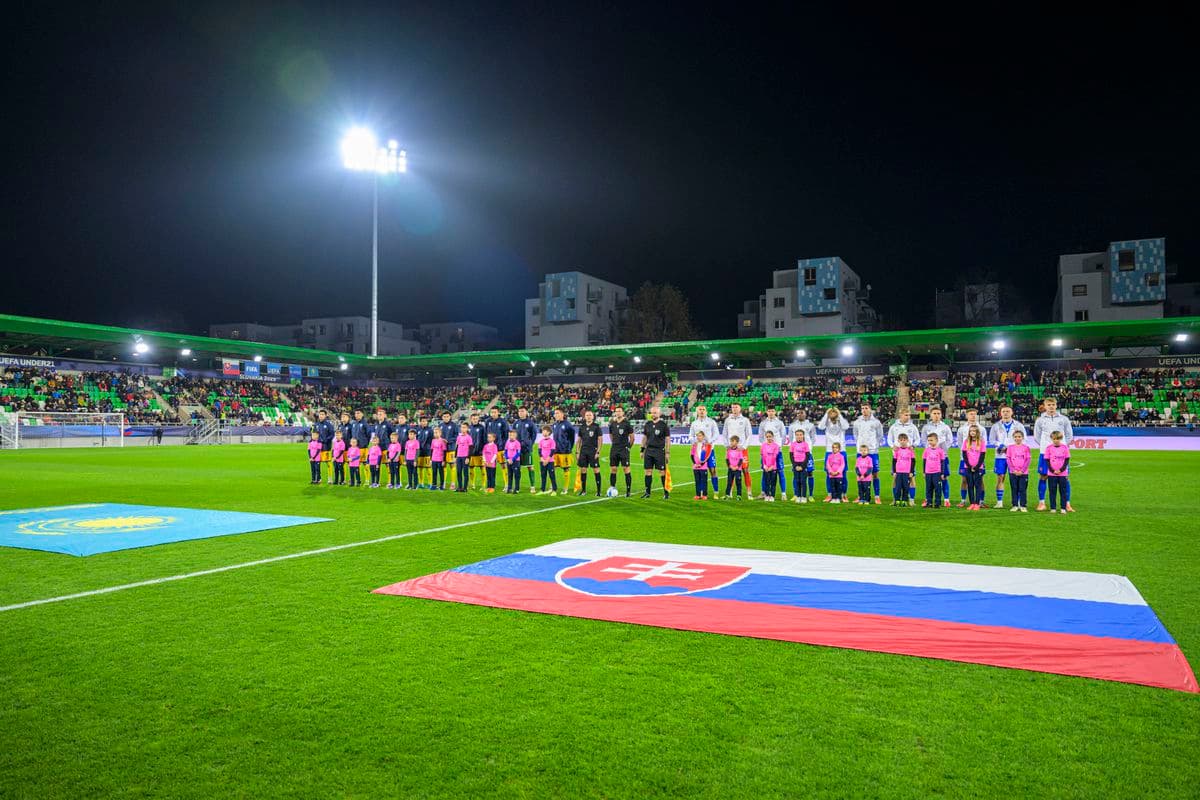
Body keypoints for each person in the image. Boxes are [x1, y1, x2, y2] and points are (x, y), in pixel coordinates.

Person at [1033, 397, 1074, 511]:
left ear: (1056, 405)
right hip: (1045, 452)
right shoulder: (1040, 420)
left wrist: (1062, 446)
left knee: (1065, 477)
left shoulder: (1064, 419)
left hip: (1061, 453)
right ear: (1045, 406)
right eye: (1048, 405)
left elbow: (1069, 435)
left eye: (1053, 404)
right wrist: (1047, 446)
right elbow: (1037, 436)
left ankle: (1067, 503)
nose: (1051, 407)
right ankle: (1042, 503)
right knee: (1043, 476)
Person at [987, 405, 1027, 508]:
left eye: (1008, 411)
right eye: (1003, 411)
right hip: (1000, 456)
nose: (1005, 413)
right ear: (1000, 413)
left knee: (1016, 478)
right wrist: (999, 445)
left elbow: (1025, 439)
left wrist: (1013, 447)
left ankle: (1017, 502)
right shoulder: (995, 426)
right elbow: (991, 440)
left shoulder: (1018, 425)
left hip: (1015, 456)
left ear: (1012, 412)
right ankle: (999, 502)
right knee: (1000, 477)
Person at [852, 403, 886, 504]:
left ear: (870, 410)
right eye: (862, 408)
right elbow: (855, 435)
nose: (864, 410)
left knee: (875, 474)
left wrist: (874, 446)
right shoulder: (857, 422)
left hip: (872, 451)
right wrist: (859, 446)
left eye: (866, 408)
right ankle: (860, 496)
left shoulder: (876, 422)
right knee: (860, 475)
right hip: (860, 452)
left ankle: (877, 496)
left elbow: (880, 435)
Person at [920, 407, 953, 507]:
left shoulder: (945, 427)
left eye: (938, 413)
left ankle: (946, 499)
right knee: (929, 480)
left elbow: (950, 440)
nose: (936, 415)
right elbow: (923, 440)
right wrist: (931, 450)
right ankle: (928, 499)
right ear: (930, 415)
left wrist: (941, 451)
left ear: (941, 415)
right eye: (934, 413)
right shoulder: (926, 427)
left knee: (944, 477)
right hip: (930, 457)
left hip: (942, 457)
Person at [887, 409, 920, 502]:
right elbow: (889, 438)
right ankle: (895, 499)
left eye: (909, 415)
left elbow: (918, 439)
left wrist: (913, 446)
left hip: (908, 457)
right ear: (900, 415)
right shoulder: (894, 427)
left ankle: (911, 499)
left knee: (912, 478)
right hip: (897, 457)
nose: (908, 417)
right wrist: (892, 446)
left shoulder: (913, 427)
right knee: (895, 478)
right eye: (906, 415)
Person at [817, 407, 849, 501]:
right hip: (829, 450)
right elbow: (820, 427)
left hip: (842, 450)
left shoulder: (841, 422)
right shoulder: (826, 422)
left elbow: (846, 426)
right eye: (831, 412)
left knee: (843, 473)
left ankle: (843, 494)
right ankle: (830, 494)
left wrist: (839, 414)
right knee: (828, 473)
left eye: (834, 412)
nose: (832, 414)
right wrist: (826, 414)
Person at [640, 406, 672, 499]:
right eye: (652, 413)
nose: (653, 414)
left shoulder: (663, 425)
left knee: (662, 472)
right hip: (649, 451)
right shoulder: (648, 424)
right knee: (648, 471)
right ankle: (647, 492)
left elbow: (667, 439)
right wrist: (642, 450)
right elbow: (644, 438)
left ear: (659, 414)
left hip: (659, 451)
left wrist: (667, 452)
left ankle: (666, 493)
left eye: (655, 413)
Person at [722, 403, 753, 494]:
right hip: (731, 450)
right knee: (731, 470)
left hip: (742, 450)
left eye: (736, 407)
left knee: (745, 470)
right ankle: (730, 492)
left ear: (740, 408)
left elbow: (749, 434)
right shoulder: (728, 420)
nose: (734, 409)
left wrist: (744, 446)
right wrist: (727, 445)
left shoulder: (745, 420)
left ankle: (749, 492)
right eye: (733, 407)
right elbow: (724, 434)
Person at [758, 407, 788, 500]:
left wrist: (778, 446)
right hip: (766, 452)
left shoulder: (779, 423)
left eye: (772, 411)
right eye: (769, 411)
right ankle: (764, 492)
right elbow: (760, 436)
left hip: (777, 451)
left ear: (775, 412)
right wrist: (766, 446)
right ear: (767, 412)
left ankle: (783, 493)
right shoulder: (763, 423)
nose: (771, 412)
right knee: (765, 471)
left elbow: (783, 436)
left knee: (780, 472)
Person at [955, 408, 983, 507]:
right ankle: (963, 500)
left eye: (975, 414)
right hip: (965, 459)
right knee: (964, 480)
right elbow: (960, 443)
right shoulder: (962, 429)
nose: (973, 416)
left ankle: (980, 501)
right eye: (971, 414)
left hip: (978, 460)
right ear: (967, 415)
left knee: (980, 480)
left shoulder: (981, 428)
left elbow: (984, 444)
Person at [689, 405, 720, 493]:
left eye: (703, 410)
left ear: (706, 411)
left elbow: (716, 434)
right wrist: (694, 441)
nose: (702, 411)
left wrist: (710, 441)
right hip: (698, 451)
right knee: (700, 471)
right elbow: (691, 435)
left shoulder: (711, 422)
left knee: (712, 470)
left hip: (709, 450)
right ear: (697, 412)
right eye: (700, 410)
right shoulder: (694, 423)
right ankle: (701, 491)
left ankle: (716, 491)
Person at [607, 405, 636, 497]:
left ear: (623, 413)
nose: (618, 412)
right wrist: (614, 443)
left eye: (619, 411)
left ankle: (628, 491)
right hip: (614, 448)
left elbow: (632, 437)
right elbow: (611, 435)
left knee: (626, 469)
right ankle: (612, 488)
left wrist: (628, 447)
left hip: (624, 449)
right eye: (616, 411)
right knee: (613, 469)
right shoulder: (612, 423)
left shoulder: (627, 423)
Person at [788, 409, 817, 498]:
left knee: (810, 473)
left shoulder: (811, 425)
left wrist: (808, 449)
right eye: (798, 413)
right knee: (795, 473)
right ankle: (796, 494)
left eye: (802, 413)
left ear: (805, 414)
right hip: (796, 455)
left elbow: (813, 438)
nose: (800, 414)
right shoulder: (792, 426)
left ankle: (811, 495)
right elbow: (791, 438)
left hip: (807, 453)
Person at [1044, 430, 1073, 513]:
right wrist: (1053, 470)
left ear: (1061, 439)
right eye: (1054, 439)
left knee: (1063, 491)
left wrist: (1061, 470)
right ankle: (1053, 508)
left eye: (1057, 439)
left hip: (1062, 474)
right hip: (1051, 474)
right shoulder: (1048, 448)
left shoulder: (1065, 447)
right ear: (1051, 439)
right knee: (1052, 491)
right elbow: (1047, 461)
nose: (1056, 440)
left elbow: (1067, 460)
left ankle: (1063, 508)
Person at [512, 407, 540, 494]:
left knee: (530, 466)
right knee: (517, 468)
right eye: (519, 411)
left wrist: (529, 444)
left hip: (527, 449)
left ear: (526, 412)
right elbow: (513, 435)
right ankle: (517, 486)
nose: (520, 413)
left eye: (522, 411)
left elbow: (534, 435)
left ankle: (532, 486)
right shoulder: (516, 423)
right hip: (517, 450)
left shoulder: (530, 423)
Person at [576, 410, 603, 497]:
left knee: (596, 470)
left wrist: (598, 451)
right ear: (585, 417)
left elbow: (600, 440)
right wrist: (577, 452)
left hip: (593, 451)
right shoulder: (582, 427)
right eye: (587, 415)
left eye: (590, 415)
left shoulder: (596, 427)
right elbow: (579, 440)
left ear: (593, 416)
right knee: (583, 470)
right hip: (583, 451)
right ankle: (583, 490)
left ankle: (598, 491)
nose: (588, 416)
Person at [551, 409, 577, 496]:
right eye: (555, 413)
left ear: (562, 414)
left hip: (565, 451)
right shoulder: (554, 425)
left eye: (557, 413)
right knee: (552, 468)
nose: (555, 415)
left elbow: (572, 438)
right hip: (555, 451)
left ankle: (565, 488)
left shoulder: (568, 425)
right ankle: (552, 486)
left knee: (566, 468)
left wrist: (568, 447)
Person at [961, 424, 987, 510]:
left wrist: (976, 467)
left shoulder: (981, 442)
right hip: (968, 467)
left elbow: (982, 456)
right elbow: (964, 455)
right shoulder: (966, 442)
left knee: (977, 485)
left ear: (977, 432)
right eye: (971, 431)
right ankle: (972, 503)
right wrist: (969, 466)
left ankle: (977, 503)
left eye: (974, 431)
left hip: (978, 467)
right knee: (970, 485)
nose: (972, 432)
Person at [1006, 429, 1032, 512]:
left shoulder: (1026, 448)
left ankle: (1023, 505)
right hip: (1013, 472)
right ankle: (1015, 505)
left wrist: (1022, 471)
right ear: (1013, 438)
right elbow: (1008, 459)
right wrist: (1013, 470)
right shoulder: (1010, 447)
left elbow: (1028, 460)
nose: (1018, 438)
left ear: (1023, 437)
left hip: (1023, 473)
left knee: (1022, 489)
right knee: (1014, 488)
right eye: (1016, 437)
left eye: (1019, 437)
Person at [485, 408, 510, 491]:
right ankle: (491, 485)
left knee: (503, 465)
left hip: (500, 448)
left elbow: (506, 435)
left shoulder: (503, 422)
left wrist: (503, 445)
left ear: (498, 412)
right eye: (492, 412)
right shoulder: (488, 421)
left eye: (495, 412)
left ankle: (507, 485)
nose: (493, 413)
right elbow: (486, 434)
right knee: (491, 467)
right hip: (490, 450)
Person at [788, 429, 813, 503]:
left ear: (803, 436)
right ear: (795, 436)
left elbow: (807, 455)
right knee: (797, 481)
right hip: (796, 465)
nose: (799, 436)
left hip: (803, 465)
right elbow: (791, 456)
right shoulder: (793, 444)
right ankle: (798, 496)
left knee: (803, 481)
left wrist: (802, 466)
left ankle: (804, 497)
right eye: (797, 435)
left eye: (800, 435)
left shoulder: (805, 444)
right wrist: (795, 465)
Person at [922, 433, 946, 509]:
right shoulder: (926, 450)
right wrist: (924, 472)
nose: (930, 442)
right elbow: (924, 461)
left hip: (937, 472)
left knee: (937, 488)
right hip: (928, 472)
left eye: (931, 440)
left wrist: (942, 473)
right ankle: (929, 502)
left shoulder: (940, 451)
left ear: (936, 440)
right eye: (928, 440)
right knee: (928, 488)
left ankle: (937, 503)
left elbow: (942, 462)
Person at [891, 433, 915, 506]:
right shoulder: (897, 451)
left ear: (907, 440)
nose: (902, 441)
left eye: (904, 440)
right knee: (898, 486)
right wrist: (894, 471)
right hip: (898, 472)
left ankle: (905, 500)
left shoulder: (910, 451)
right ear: (898, 441)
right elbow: (894, 461)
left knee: (906, 487)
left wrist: (911, 472)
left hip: (906, 472)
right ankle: (897, 500)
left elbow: (913, 461)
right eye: (901, 440)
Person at [314, 410, 335, 483]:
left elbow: (332, 434)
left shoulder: (329, 425)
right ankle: (319, 478)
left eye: (322, 414)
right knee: (317, 463)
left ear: (325, 415)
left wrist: (325, 440)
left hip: (326, 447)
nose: (321, 416)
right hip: (317, 448)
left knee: (328, 463)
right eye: (320, 414)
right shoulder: (316, 424)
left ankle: (330, 478)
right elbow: (314, 435)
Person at [691, 431, 713, 500]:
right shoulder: (694, 445)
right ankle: (698, 495)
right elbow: (691, 455)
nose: (698, 437)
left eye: (700, 436)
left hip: (703, 467)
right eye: (697, 436)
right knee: (697, 481)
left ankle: (704, 494)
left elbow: (707, 456)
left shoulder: (706, 445)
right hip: (696, 467)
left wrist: (701, 464)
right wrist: (695, 463)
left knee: (704, 481)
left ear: (703, 436)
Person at [438, 411, 458, 489]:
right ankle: (443, 482)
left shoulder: (454, 425)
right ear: (442, 417)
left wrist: (448, 441)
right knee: (443, 465)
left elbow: (456, 436)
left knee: (452, 465)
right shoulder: (440, 425)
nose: (446, 418)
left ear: (450, 417)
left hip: (451, 448)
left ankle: (453, 483)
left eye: (447, 416)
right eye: (444, 416)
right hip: (442, 449)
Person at [760, 430, 781, 502]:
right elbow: (763, 457)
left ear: (773, 437)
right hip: (766, 467)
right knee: (766, 482)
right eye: (767, 437)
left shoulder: (776, 446)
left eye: (770, 436)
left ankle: (772, 496)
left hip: (773, 467)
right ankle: (767, 495)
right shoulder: (763, 446)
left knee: (773, 482)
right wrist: (764, 465)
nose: (769, 438)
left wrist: (772, 466)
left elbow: (775, 457)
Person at [467, 413, 487, 490]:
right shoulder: (469, 428)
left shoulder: (482, 428)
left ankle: (483, 485)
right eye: (473, 419)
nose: (475, 420)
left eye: (476, 418)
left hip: (480, 452)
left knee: (482, 468)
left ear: (478, 419)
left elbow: (485, 440)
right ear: (471, 419)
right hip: (471, 452)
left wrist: (484, 451)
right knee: (471, 468)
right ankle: (472, 484)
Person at [537, 425, 558, 494]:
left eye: (544, 431)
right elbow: (539, 451)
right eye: (542, 431)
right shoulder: (541, 441)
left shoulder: (552, 441)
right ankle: (542, 490)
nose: (543, 432)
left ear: (548, 432)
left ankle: (554, 490)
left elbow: (552, 451)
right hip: (542, 461)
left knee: (552, 475)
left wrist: (547, 460)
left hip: (550, 461)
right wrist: (542, 459)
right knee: (543, 475)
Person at [723, 435, 745, 499]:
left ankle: (739, 495)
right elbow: (727, 459)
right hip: (730, 469)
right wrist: (730, 466)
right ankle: (727, 495)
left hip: (737, 469)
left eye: (733, 441)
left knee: (738, 482)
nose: (731, 443)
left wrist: (737, 467)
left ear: (737, 442)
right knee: (729, 482)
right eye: (731, 441)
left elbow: (741, 459)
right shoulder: (728, 450)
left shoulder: (739, 450)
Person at [415, 416, 434, 489]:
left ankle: (430, 483)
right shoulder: (418, 429)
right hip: (419, 452)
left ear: (427, 422)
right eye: (422, 421)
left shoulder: (430, 430)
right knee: (420, 468)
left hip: (427, 451)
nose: (424, 422)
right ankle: (421, 483)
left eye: (425, 421)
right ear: (420, 422)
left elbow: (432, 441)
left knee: (428, 468)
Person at [454, 424, 473, 492]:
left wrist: (468, 457)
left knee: (465, 472)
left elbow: (471, 448)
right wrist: (455, 456)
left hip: (465, 457)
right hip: (459, 456)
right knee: (458, 472)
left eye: (464, 427)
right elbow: (457, 447)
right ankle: (459, 487)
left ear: (467, 428)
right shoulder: (459, 437)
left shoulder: (469, 437)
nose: (463, 429)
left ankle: (465, 488)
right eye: (462, 427)